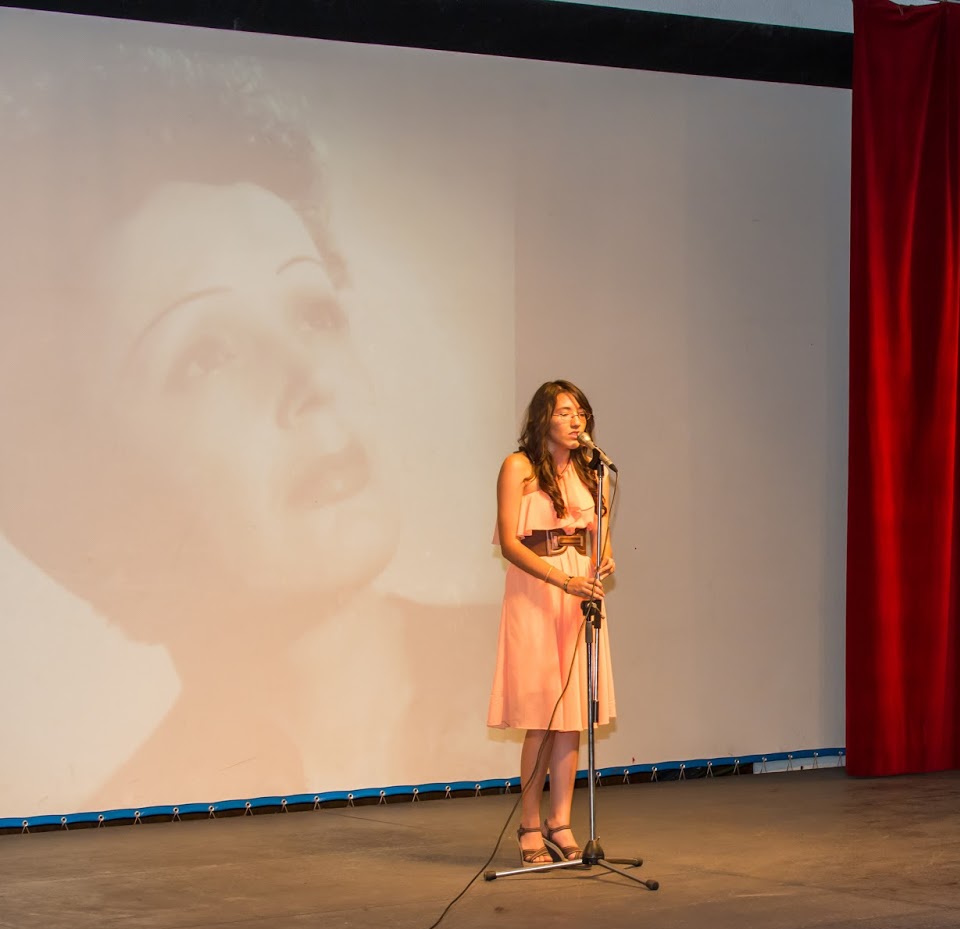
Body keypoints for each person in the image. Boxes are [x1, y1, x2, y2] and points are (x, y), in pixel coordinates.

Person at [0, 39, 497, 807]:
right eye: (206, 356)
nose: (311, 379)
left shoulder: (568, 675)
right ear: (95, 496)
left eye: (315, 312)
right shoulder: (123, 835)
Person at [487, 381, 616, 864]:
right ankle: (529, 825)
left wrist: (604, 559)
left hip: (580, 589)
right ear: (543, 418)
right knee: (542, 713)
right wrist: (562, 581)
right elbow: (509, 542)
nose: (575, 420)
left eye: (580, 411)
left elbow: (600, 535)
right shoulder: (518, 466)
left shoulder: (592, 471)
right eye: (564, 412)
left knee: (572, 716)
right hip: (537, 589)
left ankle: (560, 823)